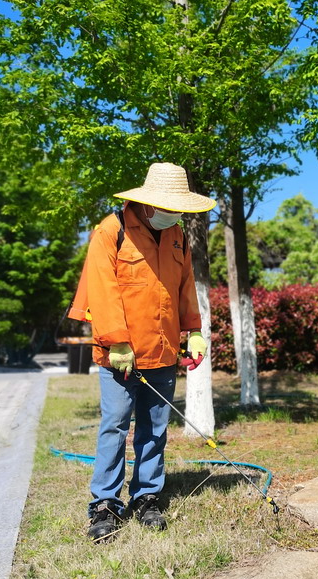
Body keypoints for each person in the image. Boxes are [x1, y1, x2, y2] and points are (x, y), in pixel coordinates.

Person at [83, 162, 215, 542]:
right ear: (148, 201)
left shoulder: (177, 236)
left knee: (155, 429)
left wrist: (194, 331)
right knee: (115, 426)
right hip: (120, 354)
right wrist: (116, 340)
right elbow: (101, 289)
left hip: (163, 349)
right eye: (169, 206)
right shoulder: (111, 231)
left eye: (178, 208)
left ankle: (147, 497)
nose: (173, 214)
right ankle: (105, 504)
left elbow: (185, 285)